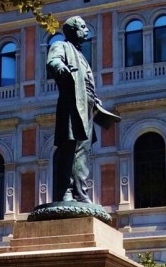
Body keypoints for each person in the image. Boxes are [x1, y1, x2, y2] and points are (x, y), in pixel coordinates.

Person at [45, 15, 119, 203]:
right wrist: (59, 68)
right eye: (83, 27)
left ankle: (80, 191)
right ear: (73, 30)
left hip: (86, 105)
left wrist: (94, 101)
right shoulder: (61, 46)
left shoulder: (81, 55)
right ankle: (65, 192)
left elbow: (86, 82)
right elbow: (53, 61)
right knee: (69, 147)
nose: (86, 31)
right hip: (71, 102)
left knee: (83, 151)